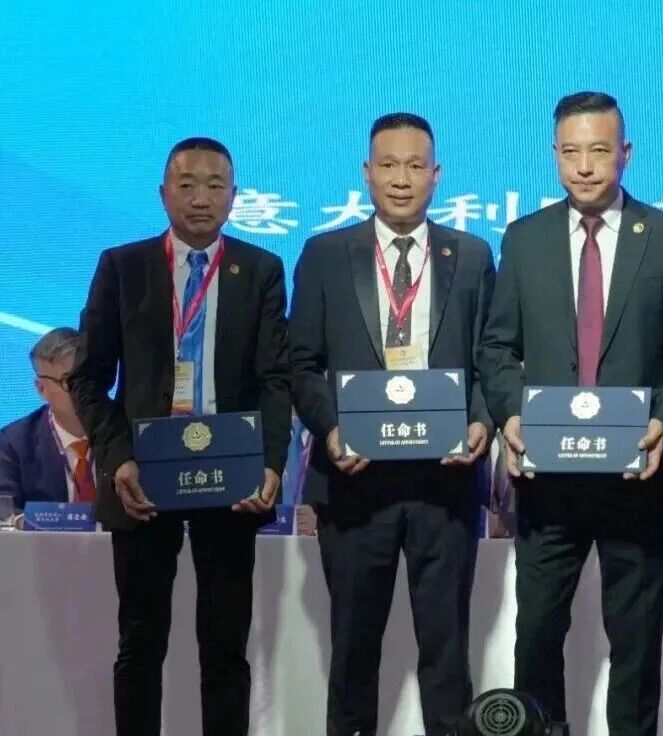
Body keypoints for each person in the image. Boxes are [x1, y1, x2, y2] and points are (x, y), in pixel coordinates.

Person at [478, 91, 663, 736]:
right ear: (554, 153)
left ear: (626, 153)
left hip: (638, 479)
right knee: (536, 638)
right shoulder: (524, 239)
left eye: (599, 151)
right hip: (546, 481)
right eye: (571, 152)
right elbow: (497, 348)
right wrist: (510, 416)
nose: (584, 166)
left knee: (636, 645)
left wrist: (662, 419)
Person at [67, 137, 291, 736]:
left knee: (225, 647)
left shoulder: (261, 271)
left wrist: (270, 464)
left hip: (230, 478)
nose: (201, 198)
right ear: (163, 193)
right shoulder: (123, 267)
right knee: (140, 643)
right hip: (142, 478)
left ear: (235, 197)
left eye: (215, 185)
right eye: (187, 184)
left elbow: (275, 379)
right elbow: (87, 378)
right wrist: (117, 459)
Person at [289, 112, 495, 736]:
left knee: (447, 655)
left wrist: (481, 421)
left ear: (436, 175)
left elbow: (493, 357)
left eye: (414, 166)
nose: (401, 179)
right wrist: (330, 429)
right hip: (354, 481)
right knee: (353, 654)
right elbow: (301, 362)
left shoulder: (472, 255)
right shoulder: (326, 254)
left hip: (445, 483)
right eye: (388, 165)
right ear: (366, 173)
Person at [0, 328, 94, 525]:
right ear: (41, 389)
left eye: (85, 377)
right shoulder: (13, 444)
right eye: (67, 381)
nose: (80, 389)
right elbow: (5, 514)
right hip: (44, 545)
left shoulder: (124, 432)